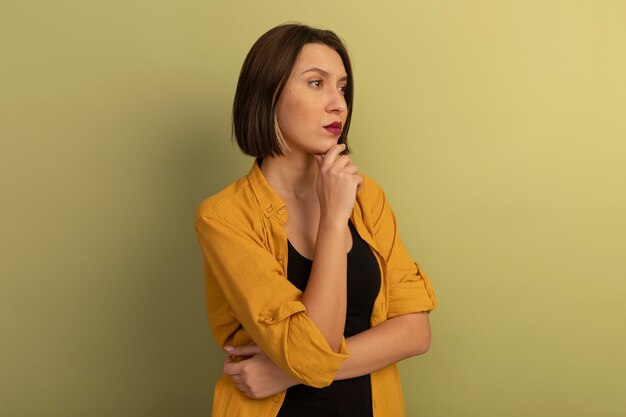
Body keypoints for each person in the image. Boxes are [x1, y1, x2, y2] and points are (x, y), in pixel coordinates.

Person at [195, 23, 437, 417]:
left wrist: (284, 373)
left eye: (342, 88)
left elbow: (415, 333)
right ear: (267, 94)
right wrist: (333, 219)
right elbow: (311, 349)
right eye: (315, 83)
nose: (338, 103)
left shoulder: (367, 197)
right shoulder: (224, 217)